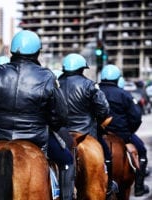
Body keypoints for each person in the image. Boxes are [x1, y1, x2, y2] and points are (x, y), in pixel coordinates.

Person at [0, 30, 74, 200]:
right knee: (66, 161)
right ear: (37, 52)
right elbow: (61, 115)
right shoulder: (47, 77)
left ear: (12, 51)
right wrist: (50, 123)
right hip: (36, 140)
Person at [58, 53, 117, 197]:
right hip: (86, 134)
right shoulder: (90, 85)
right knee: (107, 155)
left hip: (61, 135)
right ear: (82, 68)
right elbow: (104, 110)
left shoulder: (56, 83)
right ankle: (108, 185)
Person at [99, 64, 150, 196]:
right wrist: (128, 133)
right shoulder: (124, 94)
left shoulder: (95, 90)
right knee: (142, 151)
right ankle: (139, 187)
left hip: (97, 133)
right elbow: (136, 117)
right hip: (121, 134)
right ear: (117, 78)